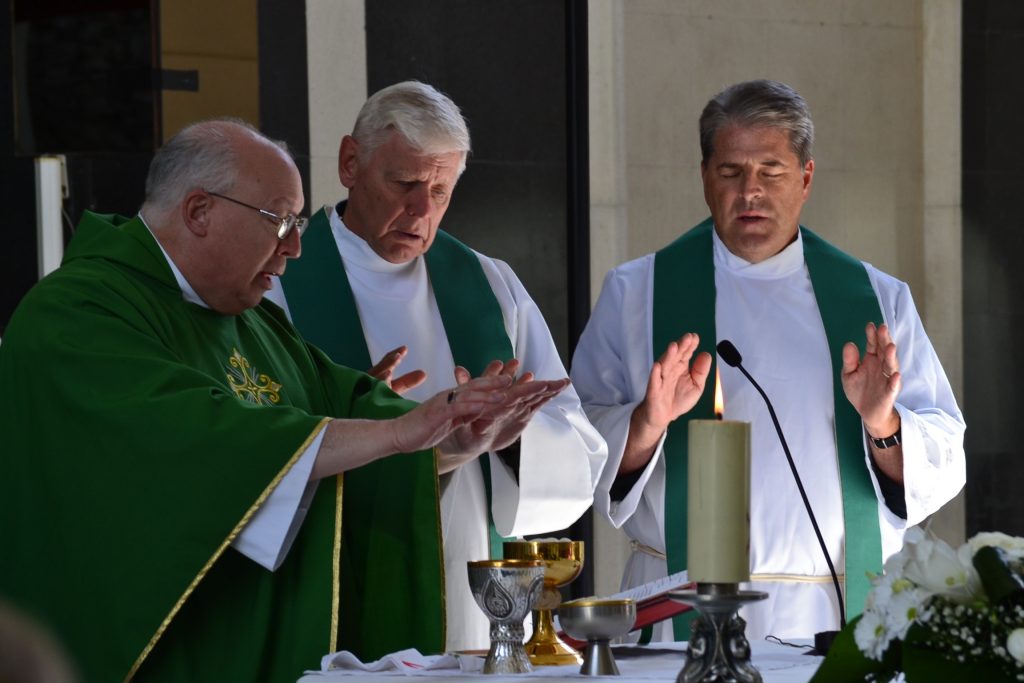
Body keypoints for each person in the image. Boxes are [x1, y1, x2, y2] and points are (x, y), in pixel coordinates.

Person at [0, 119, 571, 682]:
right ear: (200, 212)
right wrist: (402, 432)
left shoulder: (252, 322)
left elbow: (355, 414)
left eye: (298, 223)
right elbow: (203, 438)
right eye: (280, 221)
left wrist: (452, 440)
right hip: (147, 647)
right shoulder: (76, 315)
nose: (296, 247)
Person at [570, 79, 966, 642]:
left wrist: (884, 425)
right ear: (704, 177)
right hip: (679, 605)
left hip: (836, 608)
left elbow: (947, 457)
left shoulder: (876, 300)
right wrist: (647, 423)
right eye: (730, 172)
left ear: (805, 178)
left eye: (771, 172)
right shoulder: (637, 294)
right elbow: (577, 447)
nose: (749, 192)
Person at [268, 81, 607, 651]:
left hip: (467, 576)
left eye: (441, 190)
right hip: (334, 574)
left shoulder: (488, 284)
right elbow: (250, 440)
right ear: (351, 162)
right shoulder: (278, 279)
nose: (421, 210)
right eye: (403, 183)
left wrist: (508, 441)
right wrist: (351, 416)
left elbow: (579, 446)